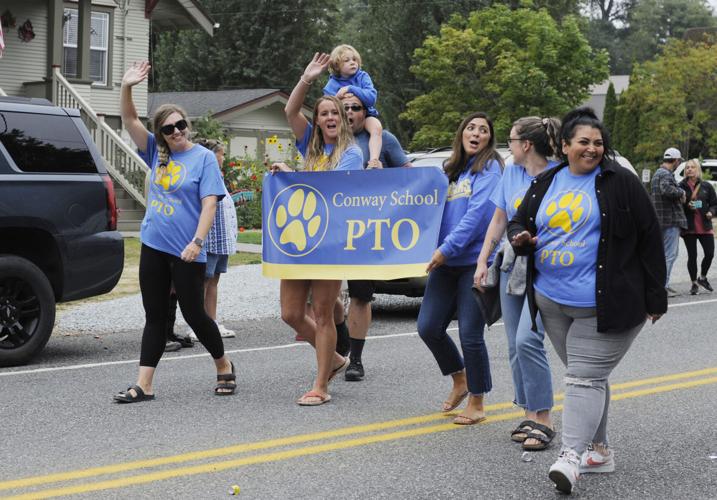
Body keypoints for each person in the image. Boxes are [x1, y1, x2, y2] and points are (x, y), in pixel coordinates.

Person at [508, 107, 667, 494]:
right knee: (589, 378)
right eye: (583, 142)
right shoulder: (546, 181)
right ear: (564, 146)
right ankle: (600, 450)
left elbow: (650, 237)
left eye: (598, 143)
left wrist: (655, 296)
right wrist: (520, 238)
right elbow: (520, 220)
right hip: (551, 301)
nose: (592, 148)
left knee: (583, 378)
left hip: (608, 304)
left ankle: (570, 456)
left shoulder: (621, 183)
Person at [114, 61, 236, 403]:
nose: (177, 131)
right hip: (153, 244)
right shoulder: (156, 151)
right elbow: (129, 120)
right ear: (161, 134)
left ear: (188, 125)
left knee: (195, 315)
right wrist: (127, 87)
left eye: (181, 125)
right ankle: (145, 385)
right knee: (154, 316)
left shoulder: (203, 159)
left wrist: (198, 243)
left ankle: (224, 364)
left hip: (188, 250)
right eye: (169, 129)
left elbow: (210, 204)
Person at [272, 52, 363, 406]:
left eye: (334, 113)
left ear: (343, 120)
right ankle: (337, 359)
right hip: (299, 242)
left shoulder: (351, 153)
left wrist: (295, 175)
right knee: (291, 314)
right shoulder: (309, 143)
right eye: (323, 113)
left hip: (329, 241)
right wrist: (306, 79)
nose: (328, 118)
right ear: (319, 119)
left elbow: (332, 188)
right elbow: (290, 112)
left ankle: (321, 383)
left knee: (324, 314)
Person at [474, 116, 561, 450]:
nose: (506, 146)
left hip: (546, 268)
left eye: (510, 140)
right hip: (512, 267)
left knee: (528, 338)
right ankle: (528, 413)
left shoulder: (560, 175)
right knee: (514, 344)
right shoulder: (511, 173)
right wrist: (483, 260)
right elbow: (498, 220)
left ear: (526, 145)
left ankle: (545, 419)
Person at [417, 112, 503, 425]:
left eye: (483, 129)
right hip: (445, 262)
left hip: (473, 264)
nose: (476, 133)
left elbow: (478, 217)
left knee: (470, 333)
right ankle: (460, 379)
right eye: (471, 127)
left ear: (489, 138)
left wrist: (445, 250)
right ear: (461, 134)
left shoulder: (491, 169)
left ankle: (477, 401)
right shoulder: (450, 171)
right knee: (428, 327)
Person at [339, 93, 412, 381]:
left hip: (364, 232)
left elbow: (411, 181)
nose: (349, 113)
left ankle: (355, 359)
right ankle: (339, 348)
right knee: (328, 298)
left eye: (355, 108)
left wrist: (384, 176)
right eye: (343, 108)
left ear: (365, 113)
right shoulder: (327, 140)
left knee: (360, 295)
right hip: (329, 231)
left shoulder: (384, 141)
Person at [192, 138, 238, 338]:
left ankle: (211, 322)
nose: (224, 158)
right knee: (203, 281)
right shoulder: (204, 174)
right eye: (222, 153)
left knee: (214, 281)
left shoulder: (218, 175)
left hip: (221, 240)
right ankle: (197, 325)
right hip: (209, 239)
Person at [323, 44, 383, 168]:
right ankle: (330, 163)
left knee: (377, 128)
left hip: (366, 116)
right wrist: (339, 97)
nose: (352, 63)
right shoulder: (331, 84)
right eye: (347, 60)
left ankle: (374, 161)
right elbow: (327, 106)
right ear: (336, 65)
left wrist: (350, 89)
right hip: (340, 121)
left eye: (354, 59)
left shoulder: (363, 76)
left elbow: (371, 98)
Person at [651, 147, 687, 297]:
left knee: (662, 255)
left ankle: (661, 284)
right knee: (670, 255)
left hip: (660, 220)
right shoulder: (665, 174)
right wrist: (682, 192)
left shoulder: (657, 173)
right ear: (676, 161)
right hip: (669, 220)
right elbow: (666, 189)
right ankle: (663, 286)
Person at [679, 159, 717, 295]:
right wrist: (685, 205)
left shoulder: (706, 186)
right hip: (689, 227)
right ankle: (694, 283)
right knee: (692, 256)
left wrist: (711, 212)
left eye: (692, 167)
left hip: (705, 226)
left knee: (710, 253)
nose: (689, 169)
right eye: (687, 167)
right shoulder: (681, 186)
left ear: (697, 169)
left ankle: (703, 278)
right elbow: (677, 204)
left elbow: (714, 204)